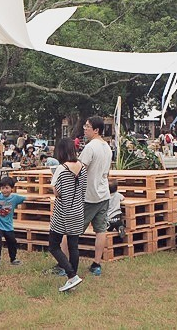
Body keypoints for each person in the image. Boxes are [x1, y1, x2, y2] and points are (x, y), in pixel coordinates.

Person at [49, 137, 85, 292]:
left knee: (53, 246)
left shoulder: (61, 169)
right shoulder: (82, 167)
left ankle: (71, 275)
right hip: (78, 209)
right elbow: (83, 188)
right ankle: (73, 278)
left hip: (63, 211)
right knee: (73, 245)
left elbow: (57, 192)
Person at [79, 116, 111, 277]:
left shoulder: (90, 147)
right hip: (103, 194)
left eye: (87, 126)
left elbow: (79, 170)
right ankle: (96, 264)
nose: (84, 129)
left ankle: (63, 264)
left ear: (96, 130)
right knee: (101, 230)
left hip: (88, 196)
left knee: (70, 230)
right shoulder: (107, 147)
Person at [0, 176, 26, 266]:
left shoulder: (15, 198)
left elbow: (26, 198)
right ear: (0, 188)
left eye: (7, 188)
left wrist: (43, 198)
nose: (5, 190)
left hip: (8, 225)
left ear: (12, 188)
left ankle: (13, 259)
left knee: (12, 241)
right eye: (2, 188)